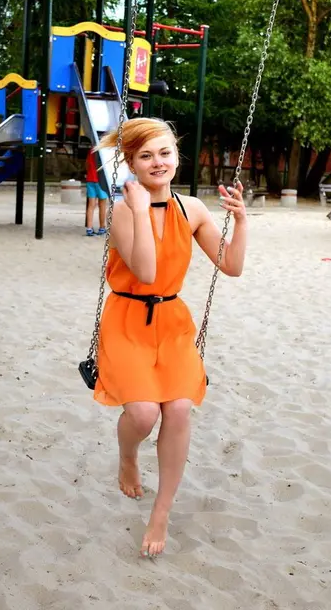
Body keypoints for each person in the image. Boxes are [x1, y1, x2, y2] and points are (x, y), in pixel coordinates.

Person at [93, 117, 247, 558]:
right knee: (143, 415)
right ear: (131, 164)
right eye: (145, 156)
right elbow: (145, 271)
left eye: (164, 152)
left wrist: (240, 221)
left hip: (171, 320)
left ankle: (161, 510)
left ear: (177, 156)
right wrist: (142, 210)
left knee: (178, 408)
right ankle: (128, 456)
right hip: (126, 319)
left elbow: (231, 266)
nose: (157, 162)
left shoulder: (192, 209)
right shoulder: (119, 210)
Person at [85, 150, 108, 236]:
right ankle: (102, 228)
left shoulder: (91, 150)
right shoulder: (104, 151)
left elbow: (87, 164)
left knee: (91, 205)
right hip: (101, 180)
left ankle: (89, 228)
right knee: (102, 205)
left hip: (90, 179)